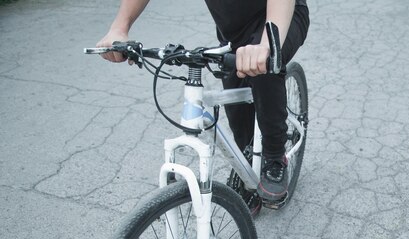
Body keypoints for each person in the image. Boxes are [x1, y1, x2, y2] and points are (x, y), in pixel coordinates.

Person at [96, 0, 309, 202]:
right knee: (238, 118)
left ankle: (274, 156)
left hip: (281, 19)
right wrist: (119, 28)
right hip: (233, 37)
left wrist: (266, 46)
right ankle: (248, 169)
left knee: (265, 71)